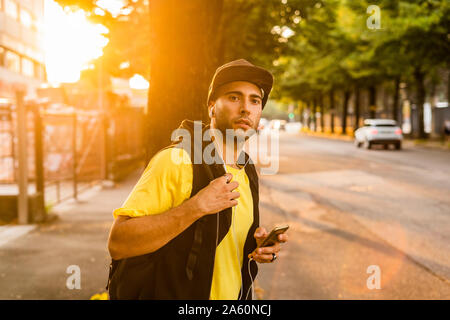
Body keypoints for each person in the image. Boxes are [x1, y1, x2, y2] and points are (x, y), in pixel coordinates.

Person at [106, 59, 288, 300]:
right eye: (234, 97)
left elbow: (217, 250)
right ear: (212, 106)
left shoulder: (246, 170)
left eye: (255, 100)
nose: (246, 108)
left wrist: (258, 249)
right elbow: (119, 243)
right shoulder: (177, 160)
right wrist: (197, 206)